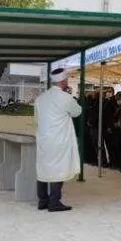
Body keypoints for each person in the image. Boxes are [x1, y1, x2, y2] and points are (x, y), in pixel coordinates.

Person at [34, 68, 81, 212]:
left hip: (44, 139)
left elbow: (36, 119)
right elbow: (77, 111)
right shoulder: (65, 97)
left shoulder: (40, 98)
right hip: (59, 139)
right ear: (63, 82)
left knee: (43, 169)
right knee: (58, 170)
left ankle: (43, 201)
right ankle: (54, 202)